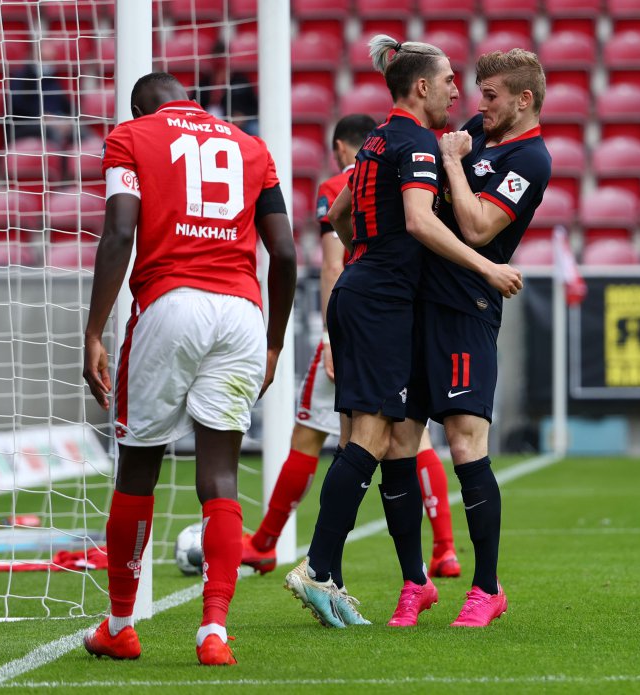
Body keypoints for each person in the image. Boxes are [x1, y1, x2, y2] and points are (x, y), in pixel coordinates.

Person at [283, 34, 522, 629]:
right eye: (447, 82)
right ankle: (316, 567)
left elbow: (337, 215)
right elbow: (419, 221)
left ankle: (330, 574)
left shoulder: (374, 142)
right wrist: (487, 266)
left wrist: (365, 250)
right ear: (421, 87)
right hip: (382, 300)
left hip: (359, 290)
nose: (455, 92)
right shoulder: (415, 142)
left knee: (375, 439)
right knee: (369, 436)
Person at [80, 72, 296, 666]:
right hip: (243, 315)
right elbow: (284, 252)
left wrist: (95, 329)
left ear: (139, 107)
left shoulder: (130, 136)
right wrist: (274, 342)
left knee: (139, 466)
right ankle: (214, 632)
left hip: (171, 303)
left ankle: (121, 624)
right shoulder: (252, 146)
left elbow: (120, 229)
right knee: (220, 477)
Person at [240, 114, 462, 581]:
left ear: (345, 147)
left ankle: (272, 544)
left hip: (358, 319)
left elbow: (331, 264)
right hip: (404, 318)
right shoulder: (419, 171)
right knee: (412, 437)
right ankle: (443, 549)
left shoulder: (346, 182)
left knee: (316, 436)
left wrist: (329, 336)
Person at [411, 47, 551, 627]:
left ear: (523, 100)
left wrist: (449, 163)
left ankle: (486, 586)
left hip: (468, 306)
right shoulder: (479, 132)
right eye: (476, 93)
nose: (478, 105)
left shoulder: (531, 159)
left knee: (467, 443)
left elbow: (475, 225)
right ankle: (412, 584)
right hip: (420, 301)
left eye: (490, 96)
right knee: (399, 439)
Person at [8, 41, 74, 147]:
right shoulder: (21, 77)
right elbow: (18, 106)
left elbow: (65, 105)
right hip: (26, 125)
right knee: (53, 134)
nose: (47, 63)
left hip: (56, 121)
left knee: (79, 131)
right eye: (44, 59)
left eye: (50, 59)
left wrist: (66, 119)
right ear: (34, 56)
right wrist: (43, 117)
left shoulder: (53, 79)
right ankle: (57, 162)